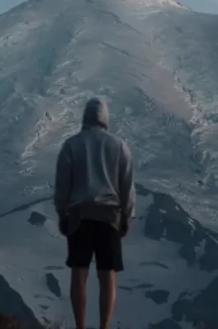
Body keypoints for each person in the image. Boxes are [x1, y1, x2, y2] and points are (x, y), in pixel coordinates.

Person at [53, 97, 135, 329]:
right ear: (105, 118)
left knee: (79, 273)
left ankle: (80, 326)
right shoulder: (119, 146)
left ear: (85, 117)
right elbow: (127, 186)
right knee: (107, 274)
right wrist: (126, 216)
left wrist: (62, 213)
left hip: (79, 217)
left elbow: (62, 186)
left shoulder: (71, 145)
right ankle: (104, 327)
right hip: (109, 217)